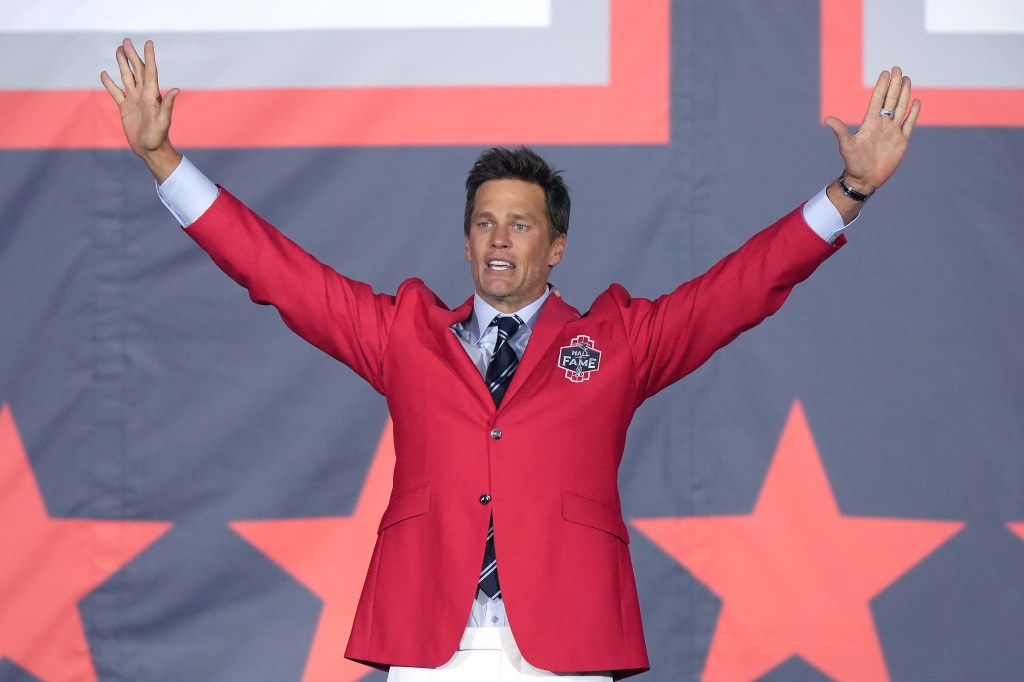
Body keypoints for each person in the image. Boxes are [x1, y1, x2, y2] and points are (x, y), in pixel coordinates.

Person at [101, 39, 919, 681]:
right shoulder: (404, 335)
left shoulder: (617, 342)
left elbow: (738, 288)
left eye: (520, 224)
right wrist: (162, 161)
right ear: (466, 242)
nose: (499, 237)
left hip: (564, 648)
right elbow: (276, 270)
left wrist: (849, 193)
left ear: (555, 246)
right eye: (485, 222)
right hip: (432, 646)